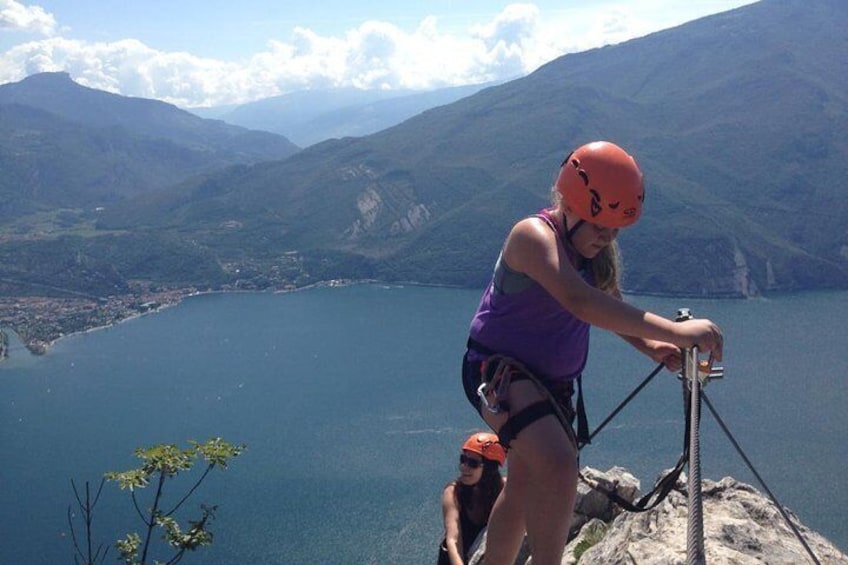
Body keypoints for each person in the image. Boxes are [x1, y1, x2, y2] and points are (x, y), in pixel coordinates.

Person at [461, 141, 724, 565]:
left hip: (546, 384)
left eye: (615, 229)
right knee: (559, 464)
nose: (607, 236)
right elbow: (581, 302)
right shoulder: (532, 236)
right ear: (568, 202)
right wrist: (676, 332)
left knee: (524, 482)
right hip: (498, 371)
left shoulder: (593, 251)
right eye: (600, 224)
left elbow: (610, 308)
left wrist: (653, 348)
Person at [438, 432, 507, 565]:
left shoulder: (504, 489)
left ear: (489, 468)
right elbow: (453, 540)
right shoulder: (453, 492)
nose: (464, 467)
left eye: (472, 463)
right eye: (463, 460)